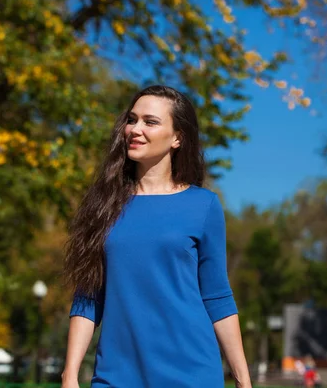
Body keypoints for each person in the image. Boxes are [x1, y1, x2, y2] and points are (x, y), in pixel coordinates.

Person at [61, 85, 252, 388]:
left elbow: (217, 296)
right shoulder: (102, 206)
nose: (135, 129)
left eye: (150, 122)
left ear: (178, 138)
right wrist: (70, 374)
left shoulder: (203, 205)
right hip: (116, 376)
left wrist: (243, 379)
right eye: (132, 119)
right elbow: (88, 296)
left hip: (191, 373)